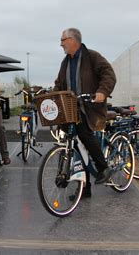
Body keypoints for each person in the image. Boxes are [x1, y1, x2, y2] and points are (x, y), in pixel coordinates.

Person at [53, 28, 116, 197]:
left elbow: (108, 74)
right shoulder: (65, 62)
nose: (61, 44)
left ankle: (103, 168)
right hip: (71, 109)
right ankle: (85, 187)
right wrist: (52, 97)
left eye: (63, 40)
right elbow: (59, 84)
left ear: (73, 40)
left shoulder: (92, 57)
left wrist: (102, 92)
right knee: (76, 147)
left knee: (84, 135)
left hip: (89, 108)